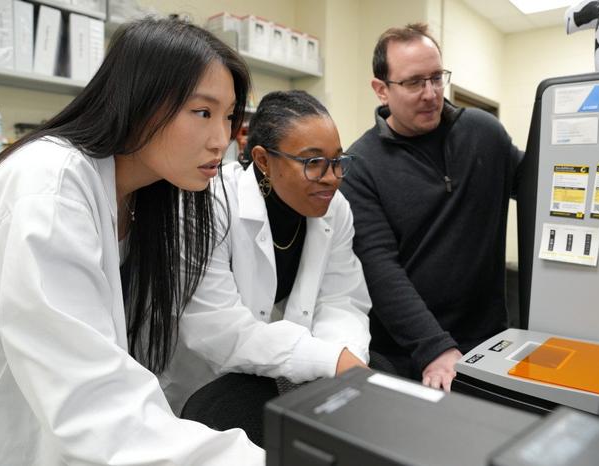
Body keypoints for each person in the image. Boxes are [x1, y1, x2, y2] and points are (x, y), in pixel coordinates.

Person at [0, 17, 264, 465]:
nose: (221, 140)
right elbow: (89, 401)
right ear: (139, 101)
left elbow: (213, 323)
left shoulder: (152, 195)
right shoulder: (49, 186)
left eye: (229, 117)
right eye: (202, 112)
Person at [161, 90, 372, 444]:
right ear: (262, 159)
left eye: (338, 161)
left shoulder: (336, 209)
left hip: (281, 377)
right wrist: (329, 359)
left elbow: (342, 300)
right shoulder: (210, 205)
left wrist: (345, 359)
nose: (332, 177)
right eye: (312, 162)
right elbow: (219, 329)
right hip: (207, 384)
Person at [340, 23, 523, 392]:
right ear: (381, 90)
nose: (430, 93)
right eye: (413, 83)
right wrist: (434, 347)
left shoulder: (484, 134)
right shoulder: (359, 165)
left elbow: (541, 190)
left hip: (490, 341)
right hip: (411, 352)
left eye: (436, 78)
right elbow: (381, 270)